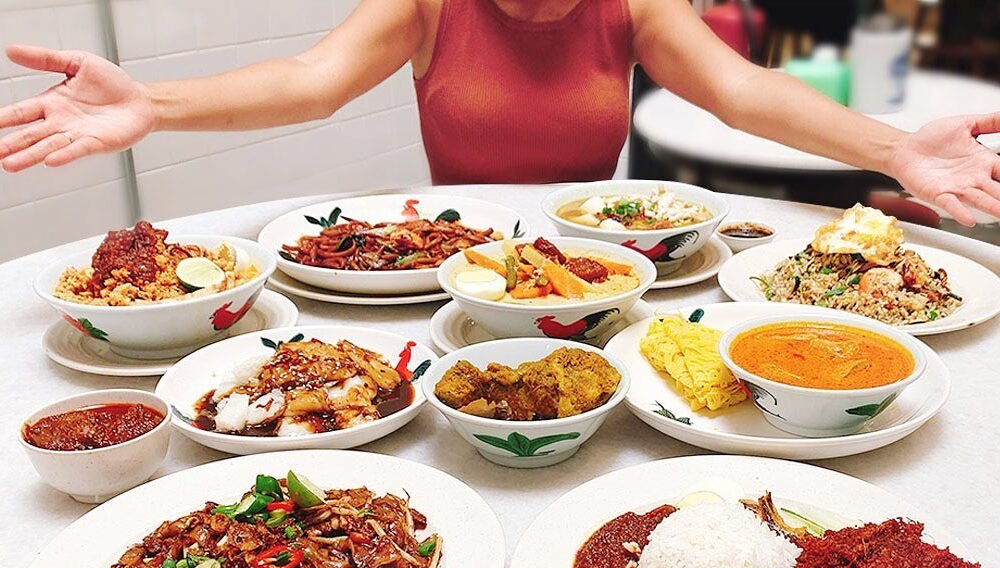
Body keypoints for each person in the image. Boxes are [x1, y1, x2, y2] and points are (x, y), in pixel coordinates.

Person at [1, 0, 998, 225]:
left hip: (600, 255)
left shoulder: (635, 5)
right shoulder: (427, 4)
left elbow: (742, 90)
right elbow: (312, 78)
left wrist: (897, 151)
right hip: (458, 256)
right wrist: (150, 104)